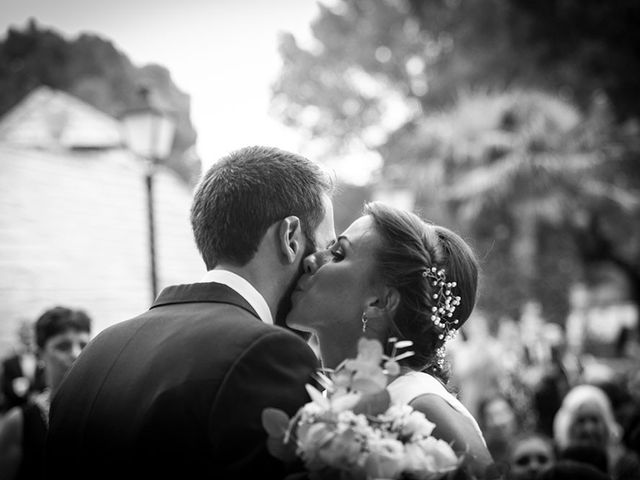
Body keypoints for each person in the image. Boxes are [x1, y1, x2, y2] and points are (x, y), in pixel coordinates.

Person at [46, 146, 336, 480]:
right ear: (291, 237)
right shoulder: (269, 355)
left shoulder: (95, 353)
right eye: (326, 247)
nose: (323, 265)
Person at [286, 201, 493, 475]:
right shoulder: (326, 402)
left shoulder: (422, 408)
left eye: (337, 254)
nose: (312, 260)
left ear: (379, 302)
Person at [0, 306, 91, 480]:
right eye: (62, 346)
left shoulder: (106, 411)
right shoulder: (19, 423)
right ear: (40, 353)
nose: (76, 354)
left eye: (84, 345)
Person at [553, 384, 640, 480]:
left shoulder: (624, 466)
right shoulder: (554, 462)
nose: (589, 429)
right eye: (581, 421)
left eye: (594, 420)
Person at [0, 320, 45, 413]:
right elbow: (5, 388)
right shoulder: (9, 362)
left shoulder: (44, 357)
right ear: (20, 336)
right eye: (24, 333)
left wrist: (38, 395)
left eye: (30, 332)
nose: (27, 335)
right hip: (17, 409)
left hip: (40, 409)